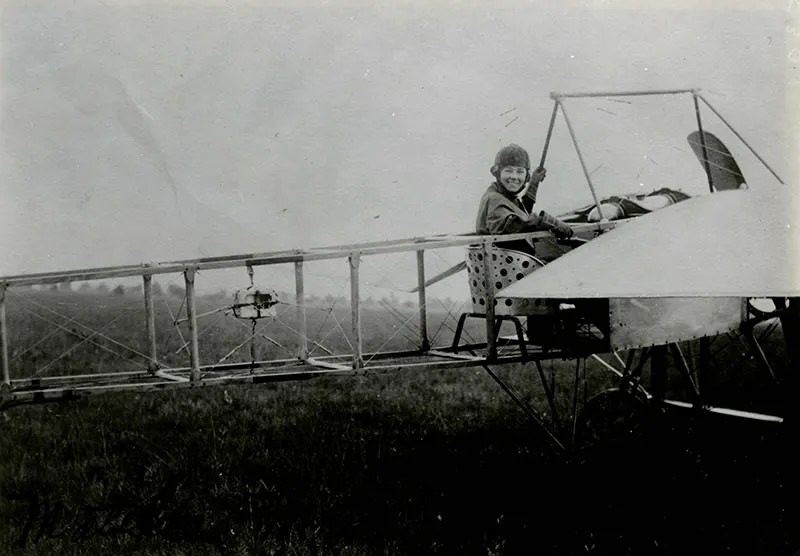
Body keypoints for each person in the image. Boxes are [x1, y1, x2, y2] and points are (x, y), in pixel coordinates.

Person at [475, 143, 574, 262]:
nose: (514, 176)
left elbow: (521, 213)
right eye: (508, 171)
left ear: (526, 176)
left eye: (520, 172)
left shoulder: (503, 195)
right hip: (505, 267)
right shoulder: (494, 198)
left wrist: (534, 183)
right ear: (497, 173)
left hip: (512, 262)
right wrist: (547, 221)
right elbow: (509, 226)